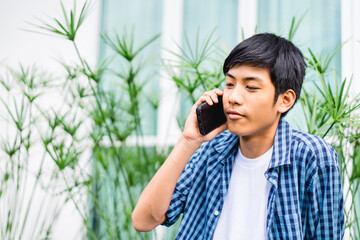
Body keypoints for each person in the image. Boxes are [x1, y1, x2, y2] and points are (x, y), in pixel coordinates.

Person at [132, 33, 344, 239]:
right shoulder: (212, 151)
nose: (233, 97)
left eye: (251, 87)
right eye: (230, 84)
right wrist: (188, 141)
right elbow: (144, 221)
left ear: (285, 100)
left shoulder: (312, 156)